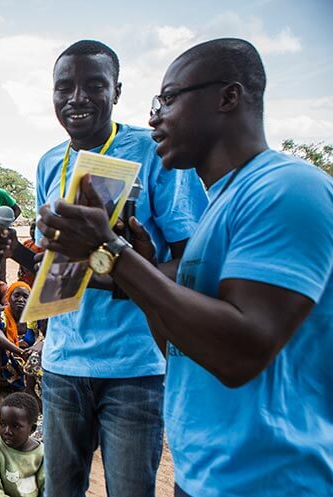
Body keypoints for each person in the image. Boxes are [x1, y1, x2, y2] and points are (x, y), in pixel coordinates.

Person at [20, 38, 333, 497]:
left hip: (274, 478)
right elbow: (180, 342)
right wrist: (135, 267)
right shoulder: (221, 208)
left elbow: (239, 353)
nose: (154, 117)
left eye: (168, 99)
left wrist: (112, 251)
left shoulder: (287, 189)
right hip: (206, 473)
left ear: (227, 97)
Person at [0, 40, 210, 497]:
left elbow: (194, 263)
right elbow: (58, 266)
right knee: (60, 489)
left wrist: (121, 269)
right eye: (64, 87)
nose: (77, 98)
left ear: (117, 91)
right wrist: (19, 254)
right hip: (64, 361)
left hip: (136, 366)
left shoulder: (152, 153)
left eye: (94, 85)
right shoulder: (50, 162)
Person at [0, 281, 41, 416]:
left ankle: (29, 391)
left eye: (25, 296)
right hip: (5, 367)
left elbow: (50, 336)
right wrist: (19, 351)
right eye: (17, 295)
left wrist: (37, 347)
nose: (21, 299)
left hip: (26, 366)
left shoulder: (34, 318)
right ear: (9, 298)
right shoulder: (1, 315)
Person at [0, 392, 45, 497]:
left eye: (15, 426)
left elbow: (48, 487)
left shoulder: (42, 454)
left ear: (32, 429)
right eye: (2, 424)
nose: (7, 431)